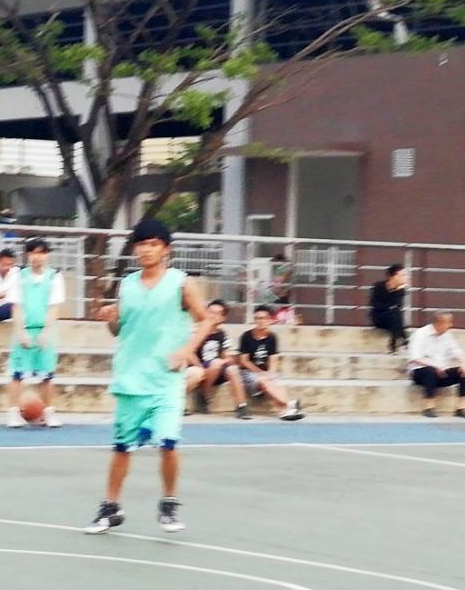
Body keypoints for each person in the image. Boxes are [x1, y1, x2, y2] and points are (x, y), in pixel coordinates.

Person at [85, 218, 213, 535]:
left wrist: (187, 350)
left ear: (166, 249)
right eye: (142, 244)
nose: (146, 249)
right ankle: (111, 507)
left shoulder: (181, 283)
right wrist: (110, 318)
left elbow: (207, 320)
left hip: (166, 380)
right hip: (130, 379)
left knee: (168, 443)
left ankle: (169, 502)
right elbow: (120, 330)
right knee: (122, 449)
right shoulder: (127, 284)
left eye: (153, 244)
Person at [4, 238, 64, 428]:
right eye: (34, 253)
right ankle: (13, 413)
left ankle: (49, 413)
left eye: (42, 253)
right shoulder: (18, 276)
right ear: (28, 255)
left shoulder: (55, 277)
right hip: (24, 329)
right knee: (17, 374)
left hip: (45, 330)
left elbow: (54, 307)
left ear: (47, 255)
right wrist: (20, 331)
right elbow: (17, 306)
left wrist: (46, 332)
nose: (38, 257)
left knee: (47, 375)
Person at [237, 306, 305, 421]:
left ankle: (285, 410)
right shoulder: (246, 336)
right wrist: (261, 373)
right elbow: (244, 361)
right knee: (263, 380)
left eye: (263, 318)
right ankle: (289, 404)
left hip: (265, 372)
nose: (260, 321)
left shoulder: (272, 337)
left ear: (270, 320)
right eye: (257, 318)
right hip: (248, 373)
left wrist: (271, 373)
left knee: (277, 381)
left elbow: (273, 359)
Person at [185, 299, 250, 419]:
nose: (212, 316)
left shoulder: (222, 334)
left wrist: (227, 360)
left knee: (232, 369)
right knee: (213, 364)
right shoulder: (195, 330)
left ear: (223, 317)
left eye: (217, 313)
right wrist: (202, 368)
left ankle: (241, 406)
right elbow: (189, 353)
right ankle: (204, 396)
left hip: (216, 369)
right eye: (210, 312)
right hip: (198, 368)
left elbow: (226, 355)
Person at [407, 312, 465, 418]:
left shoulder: (448, 335)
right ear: (438, 323)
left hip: (441, 371)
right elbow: (415, 357)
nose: (450, 325)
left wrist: (464, 362)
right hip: (420, 372)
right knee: (430, 371)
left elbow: (456, 350)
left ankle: (461, 408)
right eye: (448, 323)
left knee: (463, 371)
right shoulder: (420, 334)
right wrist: (435, 365)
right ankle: (429, 407)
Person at [370, 263, 408, 353]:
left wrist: (396, 291)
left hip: (392, 319)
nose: (406, 278)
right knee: (395, 313)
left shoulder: (401, 290)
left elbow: (398, 305)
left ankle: (393, 344)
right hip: (379, 318)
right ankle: (404, 340)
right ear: (393, 276)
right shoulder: (378, 286)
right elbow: (375, 304)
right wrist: (389, 308)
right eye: (402, 275)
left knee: (395, 314)